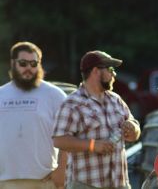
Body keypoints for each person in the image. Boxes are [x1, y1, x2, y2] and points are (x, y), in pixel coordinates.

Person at [52, 50, 140, 189]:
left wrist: (133, 128)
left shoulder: (116, 99)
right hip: (85, 185)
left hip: (120, 184)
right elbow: (59, 140)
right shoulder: (72, 103)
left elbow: (135, 129)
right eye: (110, 69)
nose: (114, 74)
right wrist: (93, 145)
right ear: (95, 71)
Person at [0, 41, 67, 189]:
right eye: (23, 63)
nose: (28, 68)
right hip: (5, 182)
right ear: (13, 63)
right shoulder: (1, 95)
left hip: (44, 181)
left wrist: (61, 171)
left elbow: (68, 136)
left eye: (33, 63)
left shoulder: (55, 95)